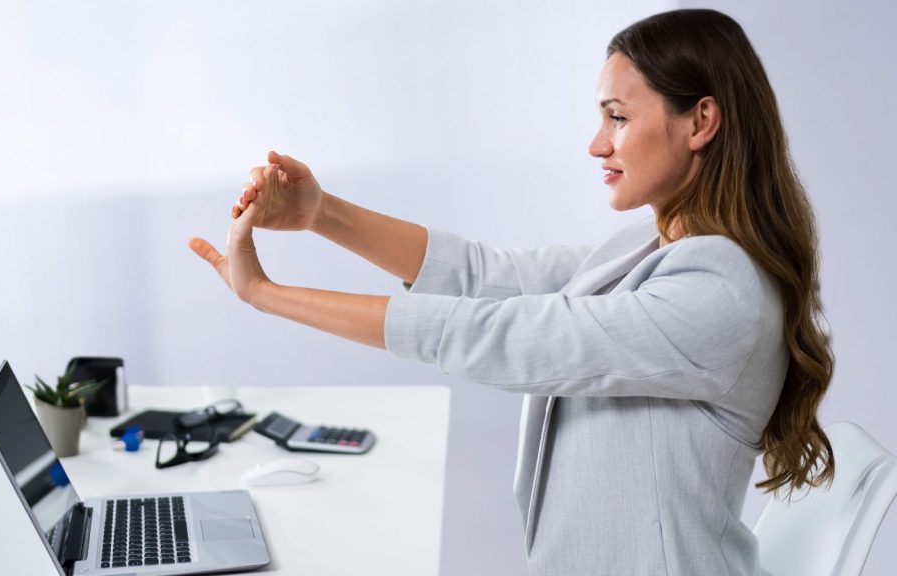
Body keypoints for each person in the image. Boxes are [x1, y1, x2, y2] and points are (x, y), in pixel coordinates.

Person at [188, 8, 834, 576]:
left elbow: (502, 335)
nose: (596, 143)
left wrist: (264, 294)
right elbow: (481, 277)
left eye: (618, 117)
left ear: (701, 121)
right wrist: (319, 211)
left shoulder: (719, 292)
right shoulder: (652, 249)